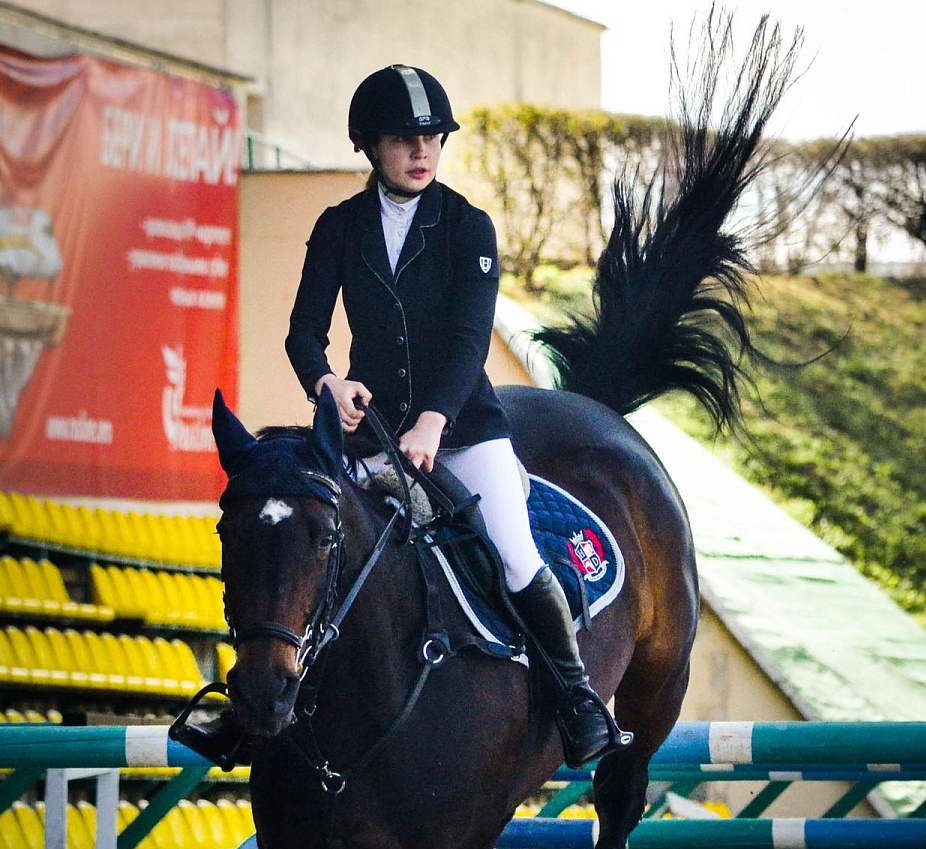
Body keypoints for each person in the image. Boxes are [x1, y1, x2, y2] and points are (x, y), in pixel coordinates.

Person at [176, 64, 624, 770]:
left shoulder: (468, 227)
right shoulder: (338, 229)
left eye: (432, 138)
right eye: (404, 138)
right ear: (370, 147)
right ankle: (253, 705)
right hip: (370, 429)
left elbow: (469, 339)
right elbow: (303, 332)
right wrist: (327, 382)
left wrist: (433, 422)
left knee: (513, 549)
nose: (422, 151)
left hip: (466, 430)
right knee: (308, 543)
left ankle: (575, 697)